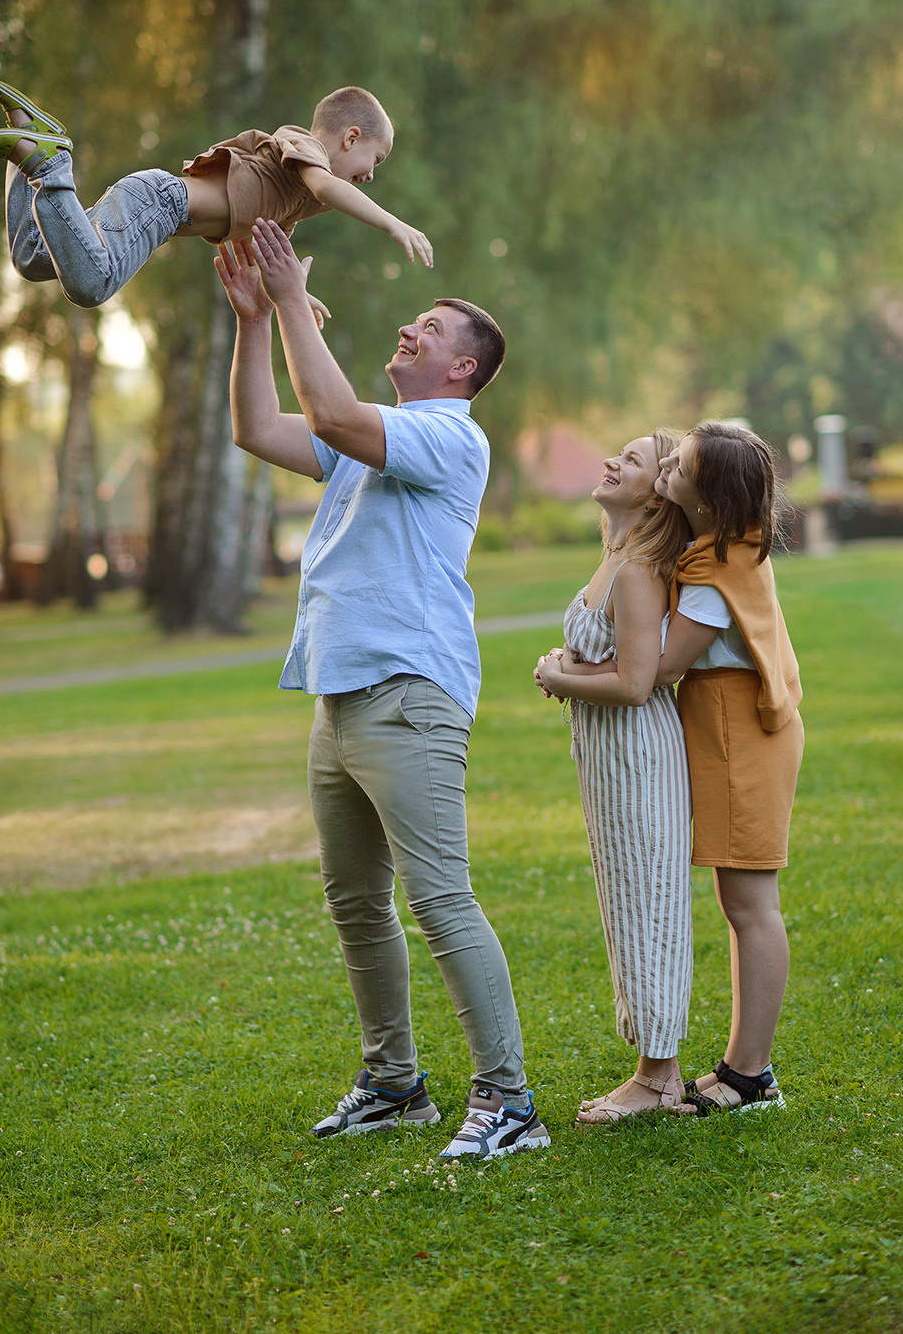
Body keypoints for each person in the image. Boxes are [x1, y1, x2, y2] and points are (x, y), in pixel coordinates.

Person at [217, 217, 549, 1160]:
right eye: (416, 319)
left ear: (463, 370)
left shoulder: (448, 439)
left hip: (409, 692)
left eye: (431, 328)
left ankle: (510, 1104)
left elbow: (329, 412)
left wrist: (289, 300)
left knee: (440, 900)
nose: (411, 329)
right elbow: (256, 426)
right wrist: (254, 320)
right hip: (343, 691)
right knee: (357, 902)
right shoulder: (380, 438)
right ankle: (395, 1083)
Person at [534, 431, 696, 1124]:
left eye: (630, 461)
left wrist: (558, 676)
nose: (611, 463)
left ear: (656, 492)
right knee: (627, 900)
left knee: (647, 901)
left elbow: (635, 685)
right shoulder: (615, 558)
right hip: (608, 757)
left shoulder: (637, 572)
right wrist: (567, 665)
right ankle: (657, 1067)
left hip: (636, 751)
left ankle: (658, 1078)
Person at [0, 80, 433, 310]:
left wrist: (294, 294)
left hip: (153, 209)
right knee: (91, 283)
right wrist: (393, 223)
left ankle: (27, 146)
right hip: (158, 202)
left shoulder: (296, 197)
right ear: (350, 138)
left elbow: (269, 249)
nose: (372, 176)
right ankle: (50, 163)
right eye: (378, 160)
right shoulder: (307, 149)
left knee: (34, 258)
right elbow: (328, 186)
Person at [654, 421, 804, 1114]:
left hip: (739, 729)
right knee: (739, 901)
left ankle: (750, 1075)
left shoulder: (716, 575)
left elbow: (662, 667)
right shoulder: (719, 549)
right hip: (728, 724)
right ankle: (747, 1068)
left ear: (707, 498)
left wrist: (574, 671)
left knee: (750, 903)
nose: (666, 464)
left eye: (679, 463)